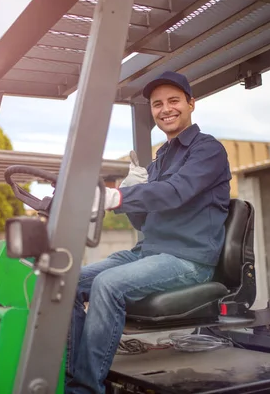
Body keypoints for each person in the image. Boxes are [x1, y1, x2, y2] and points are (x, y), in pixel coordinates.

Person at [65, 71, 232, 394]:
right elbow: (144, 224)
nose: (165, 109)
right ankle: (70, 372)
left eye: (173, 101)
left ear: (191, 104)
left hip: (187, 259)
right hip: (148, 253)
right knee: (67, 281)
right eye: (158, 104)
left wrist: (119, 196)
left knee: (107, 284)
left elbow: (176, 192)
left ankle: (84, 388)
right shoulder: (158, 161)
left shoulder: (207, 150)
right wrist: (131, 197)